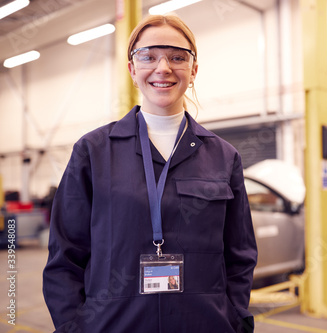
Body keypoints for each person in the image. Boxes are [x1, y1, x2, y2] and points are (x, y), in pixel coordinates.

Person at [43, 14, 258, 333]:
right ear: (132, 69)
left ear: (193, 70)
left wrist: (234, 319)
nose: (163, 67)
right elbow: (65, 255)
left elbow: (240, 255)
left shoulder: (224, 157)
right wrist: (74, 327)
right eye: (148, 56)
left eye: (177, 57)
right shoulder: (94, 151)